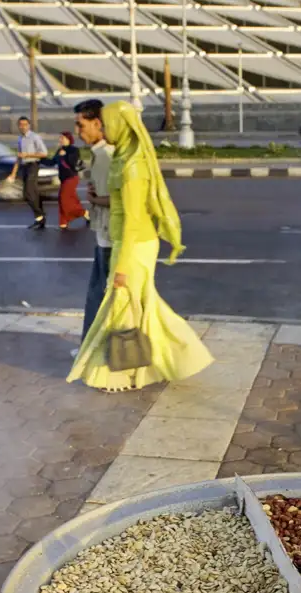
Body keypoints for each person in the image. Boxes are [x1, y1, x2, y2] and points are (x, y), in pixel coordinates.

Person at [67, 100, 214, 392]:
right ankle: (167, 360)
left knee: (124, 306)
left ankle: (132, 368)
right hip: (128, 241)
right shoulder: (124, 158)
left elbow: (133, 220)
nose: (104, 129)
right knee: (140, 308)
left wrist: (120, 267)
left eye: (107, 124)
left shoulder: (133, 167)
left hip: (134, 244)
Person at [70, 100, 113, 357]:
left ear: (97, 123)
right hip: (103, 234)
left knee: (101, 297)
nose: (78, 131)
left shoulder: (107, 156)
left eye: (80, 124)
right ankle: (91, 347)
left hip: (111, 237)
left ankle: (97, 350)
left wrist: (96, 200)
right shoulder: (99, 154)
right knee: (96, 295)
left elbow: (124, 200)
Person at [8, 116, 48, 230]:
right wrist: (13, 173)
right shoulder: (20, 138)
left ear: (29, 125)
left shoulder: (34, 137)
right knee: (32, 194)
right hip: (24, 166)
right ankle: (40, 218)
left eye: (25, 124)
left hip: (33, 165)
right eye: (20, 124)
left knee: (28, 193)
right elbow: (19, 157)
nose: (23, 127)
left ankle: (41, 215)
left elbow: (44, 153)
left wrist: (28, 155)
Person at [43, 131, 88, 230]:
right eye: (60, 138)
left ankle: (82, 213)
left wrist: (64, 155)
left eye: (62, 138)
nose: (60, 140)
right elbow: (51, 162)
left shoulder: (74, 150)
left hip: (71, 178)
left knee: (63, 199)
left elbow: (72, 162)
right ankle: (63, 222)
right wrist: (40, 159)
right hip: (63, 179)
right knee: (71, 200)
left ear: (69, 139)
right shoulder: (60, 150)